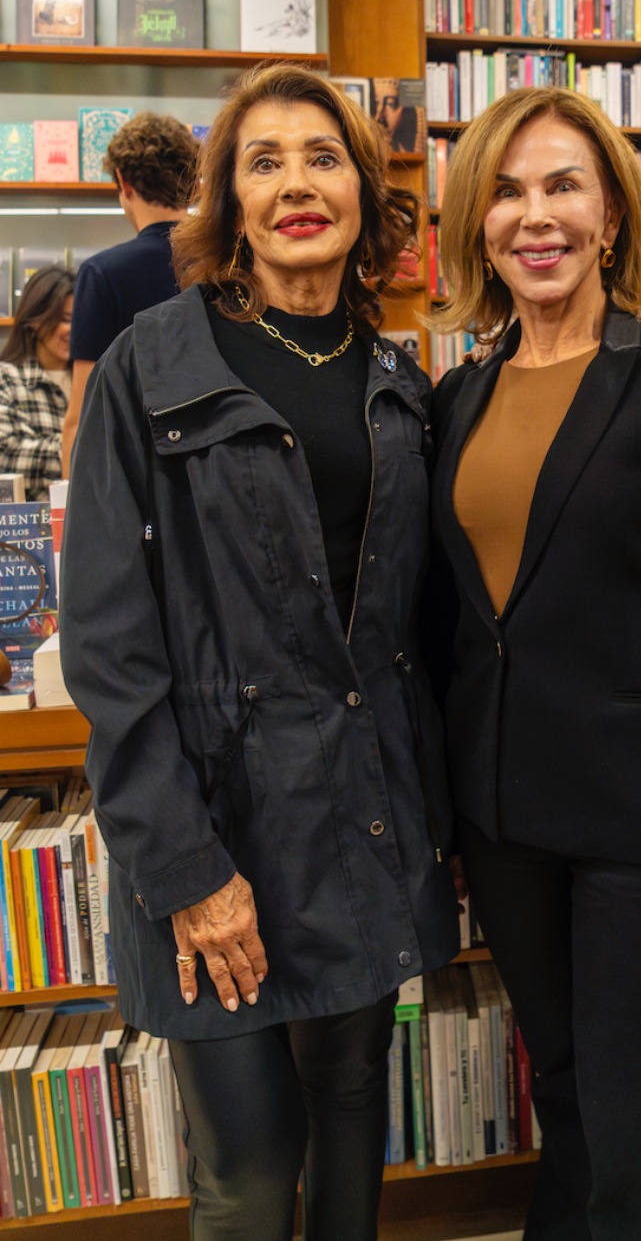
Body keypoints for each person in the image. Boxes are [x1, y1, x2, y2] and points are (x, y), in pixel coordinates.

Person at [59, 62, 459, 1241]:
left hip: (362, 827)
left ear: (363, 194)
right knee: (244, 1174)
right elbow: (109, 640)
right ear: (226, 201)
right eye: (265, 161)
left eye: (323, 157)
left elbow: (418, 633)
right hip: (215, 830)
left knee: (351, 1147)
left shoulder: (400, 382)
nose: (297, 184)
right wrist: (184, 869)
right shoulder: (151, 362)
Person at [430, 85, 641, 1240]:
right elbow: (458, 627)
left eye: (563, 184)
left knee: (639, 1124)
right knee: (565, 1101)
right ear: (479, 221)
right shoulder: (454, 395)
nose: (537, 216)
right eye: (509, 191)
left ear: (612, 213)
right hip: (506, 820)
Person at [60, 111, 199, 475]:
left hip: (138, 475)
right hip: (225, 471)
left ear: (123, 181)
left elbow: (83, 414)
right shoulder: (233, 264)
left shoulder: (103, 274)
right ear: (193, 182)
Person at [0, 264, 74, 500]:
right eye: (65, 319)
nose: (74, 329)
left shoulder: (96, 379)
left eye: (82, 319)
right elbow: (7, 457)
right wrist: (78, 446)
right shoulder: (7, 378)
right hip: (28, 530)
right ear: (34, 320)